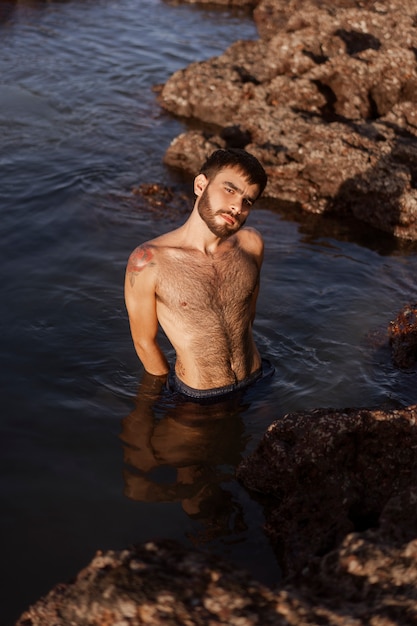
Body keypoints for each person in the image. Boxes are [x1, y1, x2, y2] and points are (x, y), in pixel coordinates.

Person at [124, 148, 272, 400]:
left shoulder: (251, 244)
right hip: (197, 397)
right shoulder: (148, 260)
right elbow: (144, 343)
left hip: (257, 381)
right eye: (230, 190)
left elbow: (248, 315)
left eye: (248, 200)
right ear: (201, 185)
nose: (237, 206)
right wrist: (162, 399)